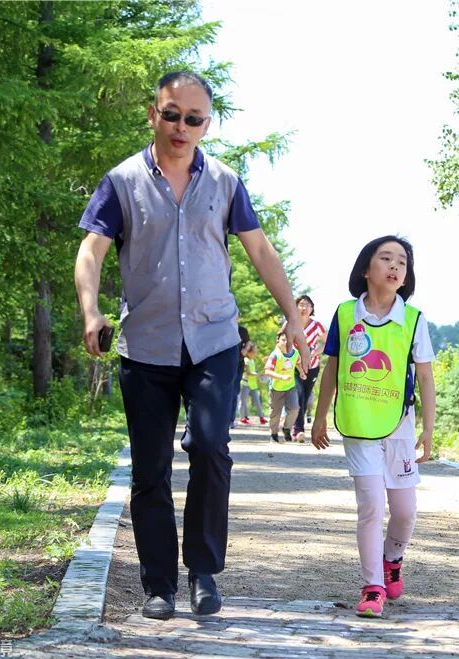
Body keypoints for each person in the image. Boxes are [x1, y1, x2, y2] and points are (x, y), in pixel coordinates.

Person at [74, 71, 308, 621]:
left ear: (207, 124)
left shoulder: (225, 182)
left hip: (213, 340)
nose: (182, 127)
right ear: (153, 114)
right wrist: (91, 310)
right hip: (145, 346)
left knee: (209, 447)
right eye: (172, 114)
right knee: (150, 469)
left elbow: (261, 251)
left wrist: (291, 317)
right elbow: (91, 250)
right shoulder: (121, 181)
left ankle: (203, 571)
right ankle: (159, 586)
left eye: (194, 119)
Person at [312, 235, 436, 618]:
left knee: (405, 510)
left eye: (402, 261)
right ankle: (372, 587)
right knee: (370, 506)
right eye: (386, 258)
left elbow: (426, 376)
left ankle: (392, 559)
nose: (395, 266)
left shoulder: (413, 320)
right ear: (366, 269)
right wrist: (319, 416)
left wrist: (428, 428)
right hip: (358, 423)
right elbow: (331, 368)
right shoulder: (344, 314)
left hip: (399, 425)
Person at [292, 295, 327, 443]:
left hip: (312, 366)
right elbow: (281, 339)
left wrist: (314, 353)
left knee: (305, 397)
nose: (304, 307)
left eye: (308, 305)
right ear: (296, 307)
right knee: (298, 394)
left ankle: (295, 425)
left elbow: (327, 342)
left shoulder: (317, 325)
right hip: (294, 366)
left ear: (312, 309)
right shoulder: (291, 323)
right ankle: (298, 429)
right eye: (301, 304)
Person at [265, 329, 300, 443]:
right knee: (275, 413)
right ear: (278, 341)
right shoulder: (275, 355)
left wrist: (302, 372)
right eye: (283, 340)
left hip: (290, 387)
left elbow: (297, 363)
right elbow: (267, 371)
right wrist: (281, 377)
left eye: (288, 340)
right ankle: (274, 433)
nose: (286, 342)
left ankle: (286, 428)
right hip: (276, 388)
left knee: (294, 408)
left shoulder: (295, 353)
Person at [238, 342, 267, 425]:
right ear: (248, 353)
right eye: (254, 352)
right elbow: (249, 373)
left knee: (257, 401)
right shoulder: (246, 361)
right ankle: (242, 417)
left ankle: (261, 417)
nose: (255, 354)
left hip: (253, 385)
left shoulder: (252, 361)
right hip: (245, 384)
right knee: (243, 401)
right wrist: (259, 374)